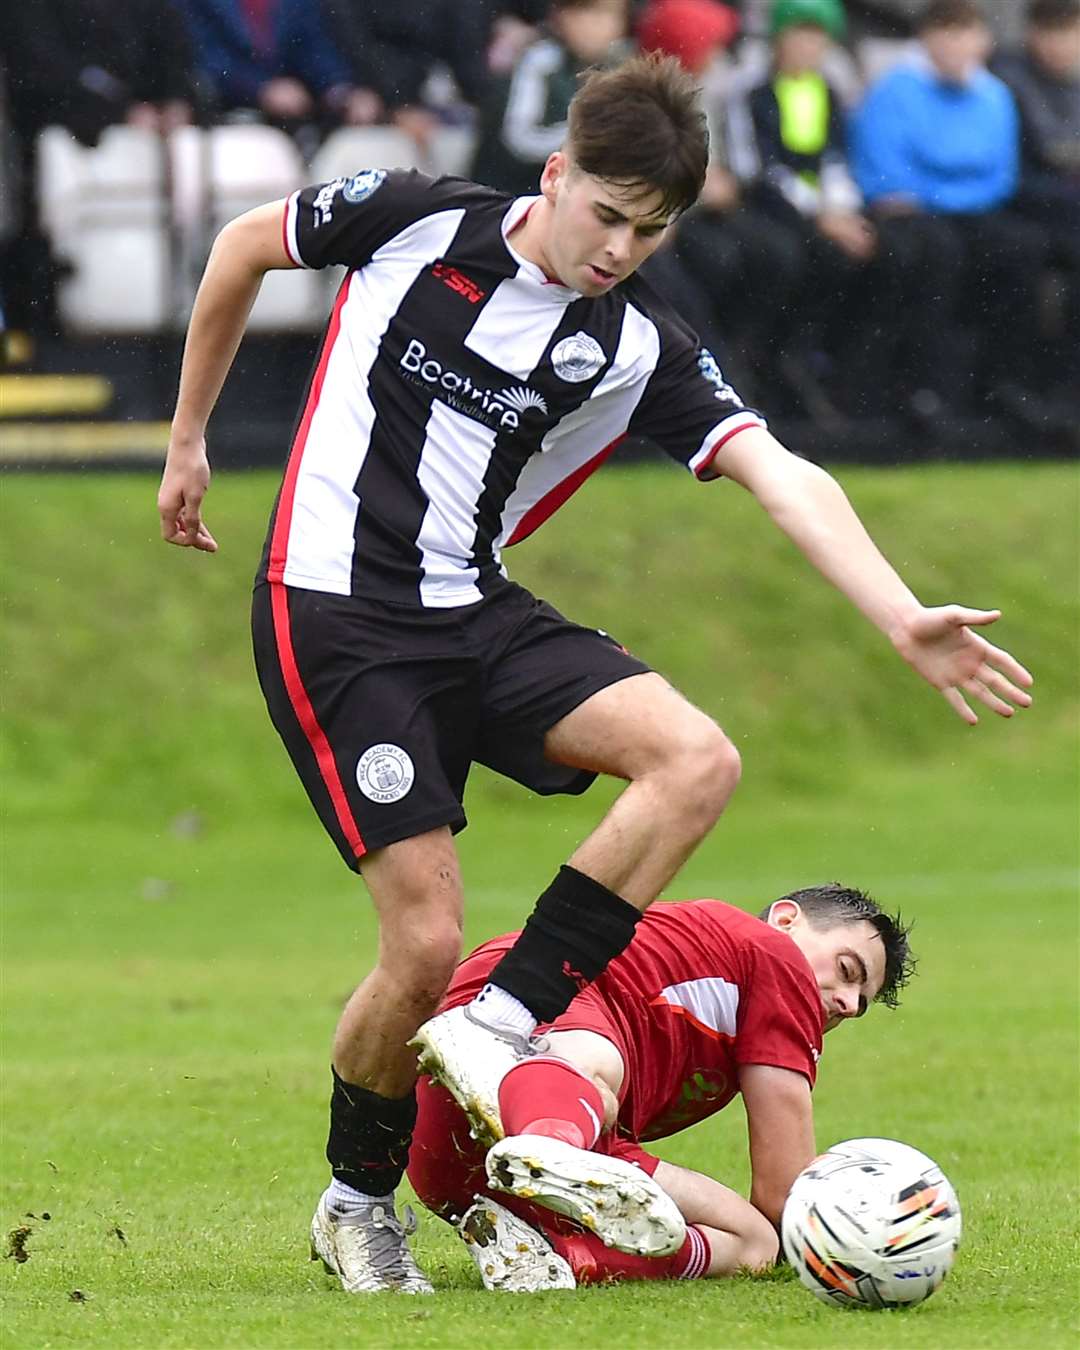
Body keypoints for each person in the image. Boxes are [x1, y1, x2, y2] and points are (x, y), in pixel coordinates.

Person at [157, 52, 1032, 1297]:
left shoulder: (633, 348)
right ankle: (358, 1204)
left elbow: (779, 469)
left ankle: (502, 1020)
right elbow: (245, 244)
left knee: (696, 759)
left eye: (651, 231)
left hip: (475, 608)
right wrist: (188, 435)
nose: (621, 248)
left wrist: (898, 615)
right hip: (335, 614)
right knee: (421, 943)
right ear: (556, 174)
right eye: (607, 215)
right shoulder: (415, 218)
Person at [406, 883, 913, 1291]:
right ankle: (549, 1142)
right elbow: (785, 1196)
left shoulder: (736, 1016)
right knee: (597, 1075)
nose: (847, 1003)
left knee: (754, 1242)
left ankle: (561, 1260)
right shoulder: (776, 959)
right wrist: (870, 1243)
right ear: (785, 920)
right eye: (847, 971)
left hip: (456, 1170)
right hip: (528, 1001)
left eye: (860, 1001)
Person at [851, 0, 1051, 431]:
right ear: (926, 39)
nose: (957, 45)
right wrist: (946, 194)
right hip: (916, 216)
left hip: (968, 210)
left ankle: (1006, 384)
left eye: (966, 33)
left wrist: (948, 193)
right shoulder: (894, 91)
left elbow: (1001, 173)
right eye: (947, 33)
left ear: (983, 40)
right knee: (937, 252)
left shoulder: (994, 95)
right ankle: (923, 390)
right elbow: (887, 177)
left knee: (1024, 248)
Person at [993, 0, 1080, 411]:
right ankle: (1026, 389)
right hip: (1022, 211)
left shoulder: (1073, 86)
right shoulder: (1007, 81)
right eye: (1057, 32)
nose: (1065, 45)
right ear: (1034, 33)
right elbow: (1014, 172)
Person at [471, 0, 632, 198]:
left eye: (613, 15)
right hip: (511, 193)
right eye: (589, 14)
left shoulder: (619, 66)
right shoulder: (539, 60)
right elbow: (519, 139)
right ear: (562, 15)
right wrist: (589, 137)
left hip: (571, 195)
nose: (600, 25)